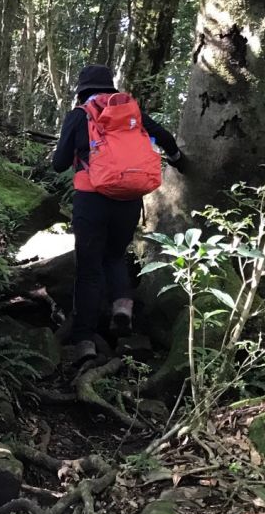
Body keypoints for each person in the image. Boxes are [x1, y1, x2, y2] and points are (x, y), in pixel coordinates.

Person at [52, 64, 188, 365]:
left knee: (89, 268)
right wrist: (178, 160)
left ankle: (84, 339)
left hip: (91, 200)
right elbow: (164, 137)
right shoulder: (132, 114)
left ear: (82, 90)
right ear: (110, 88)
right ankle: (122, 309)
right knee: (114, 257)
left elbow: (59, 164)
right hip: (128, 200)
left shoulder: (80, 115)